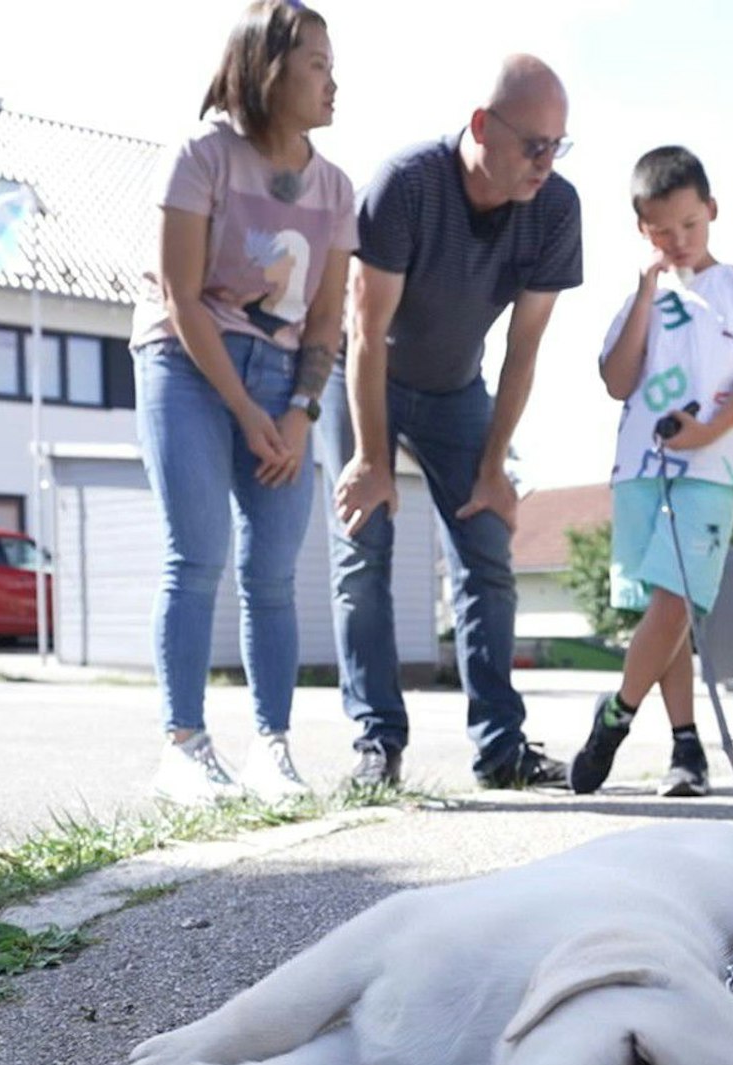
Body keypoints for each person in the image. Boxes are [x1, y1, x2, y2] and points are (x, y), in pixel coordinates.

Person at [316, 56, 582, 791]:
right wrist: (371, 460)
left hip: (460, 389)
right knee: (364, 546)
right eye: (533, 145)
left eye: (559, 146)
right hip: (370, 376)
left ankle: (501, 749)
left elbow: (523, 351)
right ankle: (377, 744)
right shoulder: (406, 184)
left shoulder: (556, 208)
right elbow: (366, 332)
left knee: (487, 550)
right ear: (480, 127)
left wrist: (495, 467)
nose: (545, 163)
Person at [131, 0, 354, 805]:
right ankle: (184, 747)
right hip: (188, 364)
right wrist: (245, 409)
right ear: (270, 71)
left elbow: (328, 319)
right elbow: (182, 298)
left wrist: (297, 412)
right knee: (196, 554)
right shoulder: (201, 156)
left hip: (284, 379)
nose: (335, 83)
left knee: (272, 573)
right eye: (319, 65)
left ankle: (273, 749)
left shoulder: (334, 188)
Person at [568, 146, 733, 797]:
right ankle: (686, 749)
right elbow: (616, 380)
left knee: (676, 598)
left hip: (713, 468)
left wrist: (709, 431)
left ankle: (616, 718)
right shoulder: (646, 298)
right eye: (663, 229)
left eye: (690, 224)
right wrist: (642, 293)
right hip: (640, 467)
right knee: (661, 611)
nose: (679, 240)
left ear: (711, 211)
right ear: (642, 229)